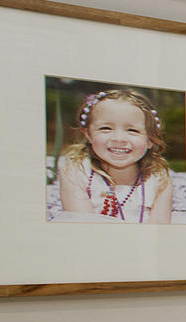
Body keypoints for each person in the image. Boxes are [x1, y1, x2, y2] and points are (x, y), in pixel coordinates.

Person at [55, 88, 175, 223]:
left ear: (150, 140)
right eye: (105, 128)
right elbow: (83, 225)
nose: (119, 138)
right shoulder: (76, 172)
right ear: (88, 134)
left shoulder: (159, 180)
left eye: (132, 130)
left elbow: (159, 230)